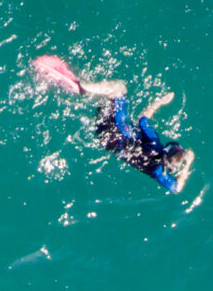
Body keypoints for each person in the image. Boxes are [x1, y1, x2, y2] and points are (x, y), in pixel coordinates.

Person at [30, 55, 195, 193]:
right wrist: (187, 166)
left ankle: (83, 88)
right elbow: (177, 188)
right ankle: (85, 90)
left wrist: (159, 103)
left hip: (116, 128)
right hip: (108, 142)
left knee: (119, 90)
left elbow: (143, 118)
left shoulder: (154, 143)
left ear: (167, 150)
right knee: (105, 102)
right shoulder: (158, 173)